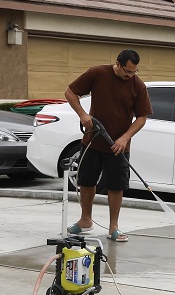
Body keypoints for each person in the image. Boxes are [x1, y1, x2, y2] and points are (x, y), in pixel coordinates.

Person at [64, 49, 152, 242]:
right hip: (93, 140)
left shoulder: (138, 86)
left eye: (134, 72)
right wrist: (83, 114)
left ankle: (114, 227)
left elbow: (142, 117)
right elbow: (70, 92)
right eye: (127, 71)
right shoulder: (97, 73)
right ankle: (85, 220)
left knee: (116, 185)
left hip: (118, 146)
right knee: (86, 181)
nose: (130, 76)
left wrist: (125, 137)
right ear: (118, 65)